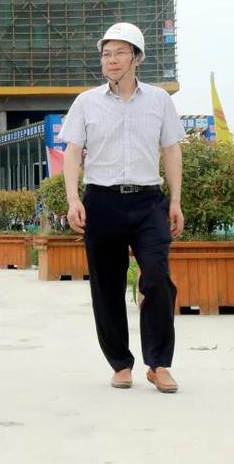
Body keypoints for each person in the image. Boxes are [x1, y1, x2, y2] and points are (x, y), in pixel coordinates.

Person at [60, 22, 185, 394]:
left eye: (119, 53)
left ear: (137, 58)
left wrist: (175, 200)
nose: (111, 60)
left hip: (148, 201)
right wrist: (73, 199)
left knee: (158, 279)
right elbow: (72, 153)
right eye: (106, 54)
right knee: (107, 286)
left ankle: (159, 364)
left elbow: (171, 150)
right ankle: (120, 363)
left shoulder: (159, 101)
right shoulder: (86, 102)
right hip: (102, 201)